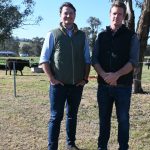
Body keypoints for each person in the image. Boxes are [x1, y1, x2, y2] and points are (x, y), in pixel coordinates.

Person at [39, 2, 90, 150]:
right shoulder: (53, 34)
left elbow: (87, 59)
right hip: (58, 86)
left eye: (71, 13)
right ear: (61, 15)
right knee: (56, 117)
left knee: (72, 116)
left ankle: (70, 144)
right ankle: (52, 147)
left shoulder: (82, 36)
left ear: (75, 15)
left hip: (76, 86)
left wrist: (85, 79)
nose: (68, 15)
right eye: (65, 13)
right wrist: (52, 79)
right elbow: (44, 59)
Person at [92, 1, 139, 150]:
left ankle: (123, 147)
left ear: (124, 16)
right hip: (103, 87)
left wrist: (116, 75)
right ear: (109, 15)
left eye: (120, 14)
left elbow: (133, 62)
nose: (116, 17)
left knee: (123, 120)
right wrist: (105, 76)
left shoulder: (132, 37)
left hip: (123, 88)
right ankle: (102, 147)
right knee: (104, 120)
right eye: (114, 13)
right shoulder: (101, 36)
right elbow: (95, 60)